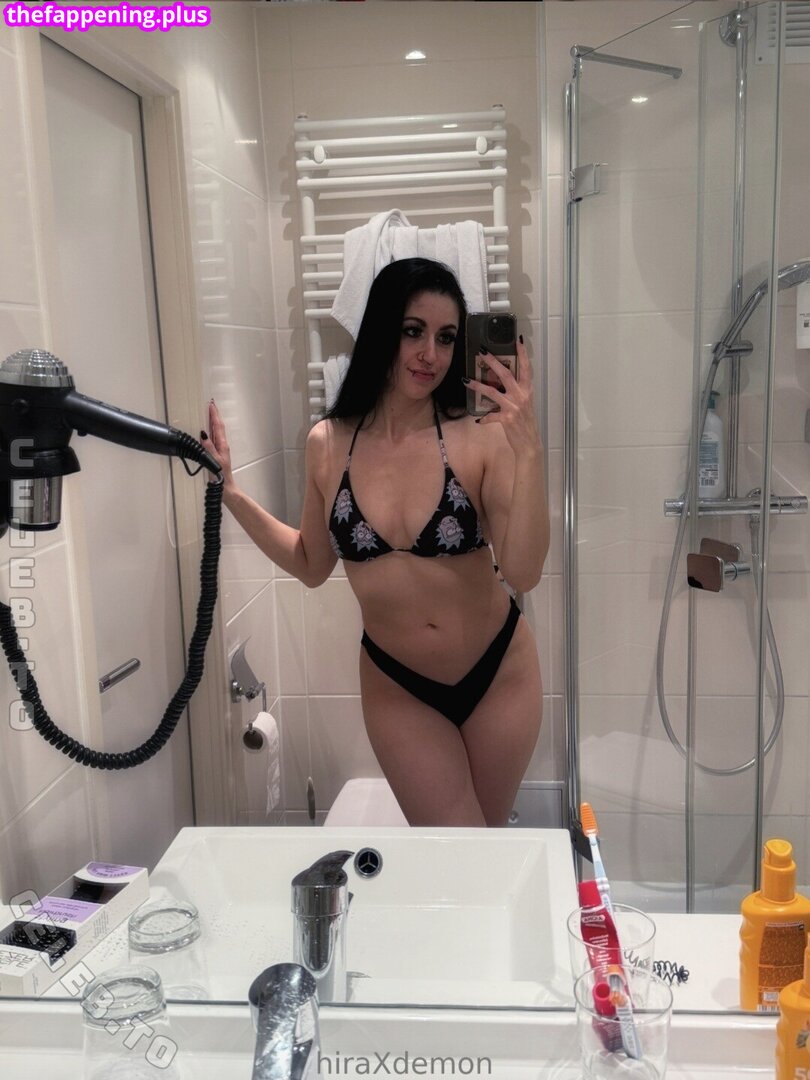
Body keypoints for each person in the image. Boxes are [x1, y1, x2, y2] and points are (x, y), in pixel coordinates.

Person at [202, 258, 549, 827]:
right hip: (399, 686)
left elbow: (524, 571)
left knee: (483, 855)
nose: (430, 354)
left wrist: (529, 451)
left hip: (499, 674)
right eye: (413, 331)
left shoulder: (479, 436)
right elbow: (311, 563)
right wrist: (233, 494)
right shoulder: (327, 443)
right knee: (458, 848)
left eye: (446, 338)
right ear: (382, 330)